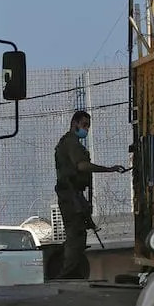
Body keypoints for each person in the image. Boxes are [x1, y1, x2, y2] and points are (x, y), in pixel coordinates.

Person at [54, 110, 126, 280]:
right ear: (75, 124)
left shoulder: (68, 142)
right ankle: (67, 274)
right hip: (70, 195)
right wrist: (108, 169)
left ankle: (71, 272)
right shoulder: (72, 143)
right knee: (76, 235)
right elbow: (81, 166)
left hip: (72, 194)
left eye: (88, 126)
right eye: (84, 125)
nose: (86, 129)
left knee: (77, 234)